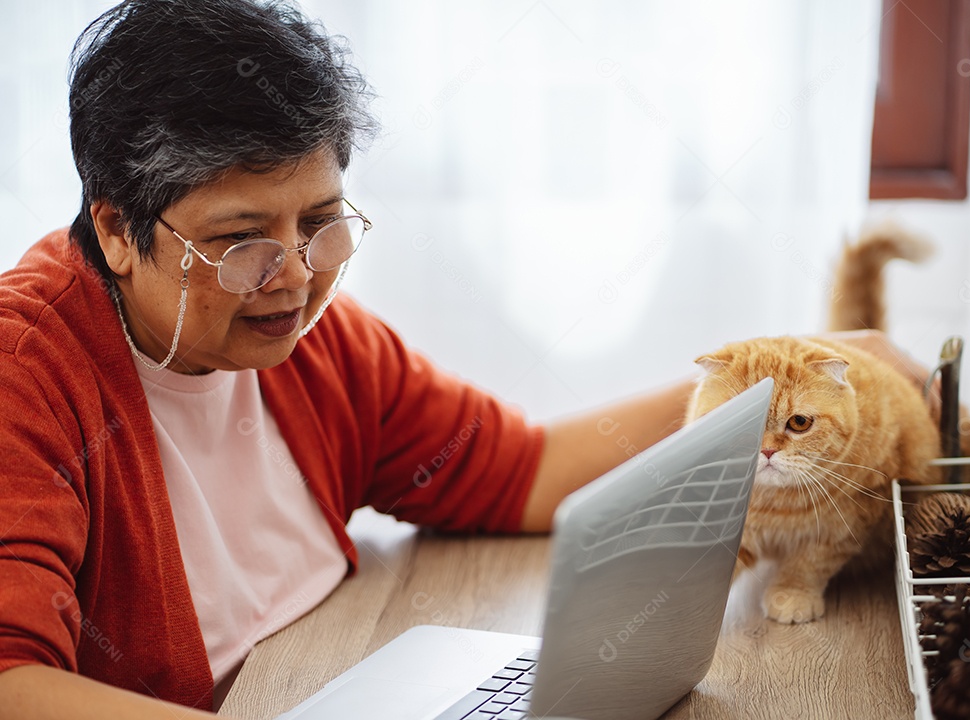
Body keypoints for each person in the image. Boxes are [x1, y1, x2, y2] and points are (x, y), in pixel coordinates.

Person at [0, 1, 922, 718]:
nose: (293, 280)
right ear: (118, 229)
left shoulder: (319, 348)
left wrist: (776, 380)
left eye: (323, 225)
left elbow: (516, 473)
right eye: (242, 241)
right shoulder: (25, 372)